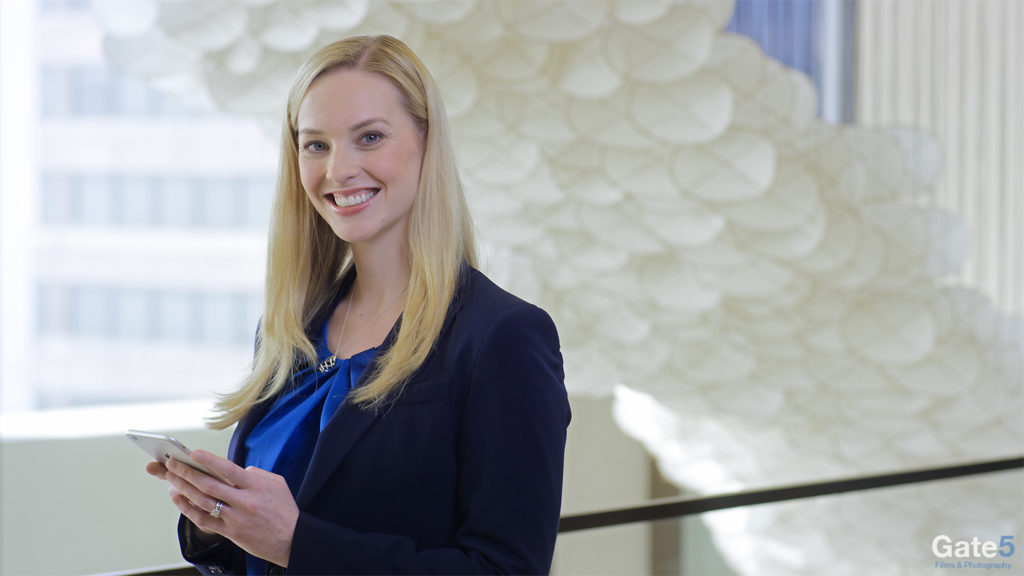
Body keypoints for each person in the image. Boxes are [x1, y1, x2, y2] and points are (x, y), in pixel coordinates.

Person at [145, 35, 571, 575]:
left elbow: (507, 570)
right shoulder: (288, 330)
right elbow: (263, 550)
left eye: (369, 137)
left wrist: (296, 543)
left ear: (427, 142)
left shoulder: (503, 337)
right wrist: (218, 523)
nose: (338, 169)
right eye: (315, 144)